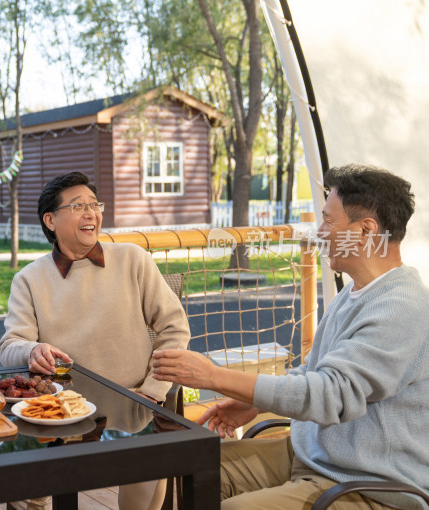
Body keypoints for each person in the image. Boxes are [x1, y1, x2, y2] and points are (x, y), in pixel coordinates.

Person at [152, 164, 429, 509]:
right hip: (315, 453)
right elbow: (315, 371)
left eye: (329, 221)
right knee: (191, 469)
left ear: (366, 230)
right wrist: (256, 401)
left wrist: (212, 376)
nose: (320, 232)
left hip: (370, 484)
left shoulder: (401, 308)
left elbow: (330, 394)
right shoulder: (354, 293)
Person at [0, 171, 190, 510]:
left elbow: (175, 329)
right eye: (78, 206)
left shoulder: (133, 259)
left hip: (135, 404)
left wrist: (152, 391)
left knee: (145, 496)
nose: (91, 213)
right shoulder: (29, 279)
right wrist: (32, 349)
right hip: (62, 411)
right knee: (28, 485)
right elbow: (10, 345)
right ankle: (36, 496)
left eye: (94, 204)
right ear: (50, 220)